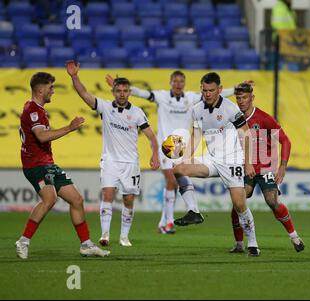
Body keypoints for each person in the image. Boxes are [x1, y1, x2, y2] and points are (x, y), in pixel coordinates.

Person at [107, 71, 240, 233]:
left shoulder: (191, 98)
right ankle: (171, 220)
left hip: (183, 147)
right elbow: (142, 93)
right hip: (167, 146)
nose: (178, 84)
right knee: (172, 179)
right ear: (170, 82)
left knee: (175, 180)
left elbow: (215, 92)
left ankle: (167, 221)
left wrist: (235, 89)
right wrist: (123, 86)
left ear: (184, 83)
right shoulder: (162, 96)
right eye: (175, 81)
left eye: (181, 81)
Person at [15, 72, 110, 259]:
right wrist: (70, 127)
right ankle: (23, 241)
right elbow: (41, 136)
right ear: (41, 90)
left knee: (76, 200)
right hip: (35, 165)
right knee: (49, 199)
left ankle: (86, 245)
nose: (53, 91)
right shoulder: (33, 111)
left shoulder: (36, 109)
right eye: (51, 87)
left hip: (47, 164)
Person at [66, 61, 160, 247]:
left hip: (130, 163)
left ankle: (124, 237)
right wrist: (75, 77)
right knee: (107, 194)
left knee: (128, 199)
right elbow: (85, 94)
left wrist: (155, 154)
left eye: (125, 91)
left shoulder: (138, 113)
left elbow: (151, 136)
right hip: (110, 161)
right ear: (113, 92)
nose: (122, 94)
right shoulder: (105, 107)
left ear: (129, 92)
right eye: (119, 91)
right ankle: (105, 235)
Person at [173, 72, 261, 257]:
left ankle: (252, 242)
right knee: (179, 169)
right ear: (201, 89)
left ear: (220, 89)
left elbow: (246, 134)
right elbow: (196, 136)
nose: (208, 94)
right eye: (204, 90)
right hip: (212, 159)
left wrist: (248, 163)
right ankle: (194, 212)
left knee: (239, 204)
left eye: (212, 90)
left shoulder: (230, 108)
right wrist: (186, 157)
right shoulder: (196, 109)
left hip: (232, 160)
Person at [229, 82, 304, 253]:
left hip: (265, 167)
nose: (241, 101)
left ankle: (294, 237)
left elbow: (285, 141)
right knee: (238, 202)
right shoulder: (233, 119)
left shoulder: (264, 118)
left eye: (245, 98)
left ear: (252, 98)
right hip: (244, 167)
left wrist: (283, 167)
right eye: (238, 98)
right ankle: (239, 244)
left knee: (272, 201)